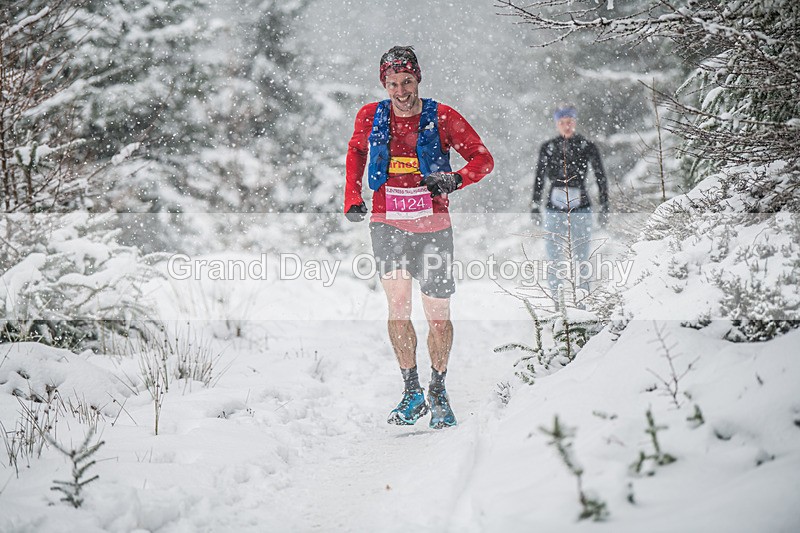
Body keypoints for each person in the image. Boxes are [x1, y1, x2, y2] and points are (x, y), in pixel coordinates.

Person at [344, 46, 493, 429]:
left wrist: (455, 179)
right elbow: (356, 153)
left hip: (433, 226)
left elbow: (483, 158)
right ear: (384, 83)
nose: (401, 90)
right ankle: (411, 392)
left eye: (407, 81)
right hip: (387, 221)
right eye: (392, 83)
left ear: (418, 78)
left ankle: (438, 390)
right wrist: (352, 196)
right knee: (398, 309)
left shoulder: (441, 116)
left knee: (438, 318)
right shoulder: (370, 116)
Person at [531, 106, 609, 302]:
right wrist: (534, 204)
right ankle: (558, 304)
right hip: (553, 208)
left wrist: (605, 204)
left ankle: (582, 303)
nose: (567, 126)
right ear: (557, 124)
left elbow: (600, 176)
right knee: (553, 257)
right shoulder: (548, 147)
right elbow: (539, 177)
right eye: (562, 123)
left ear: (575, 122)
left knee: (581, 258)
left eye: (570, 122)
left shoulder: (587, 145)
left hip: (581, 207)